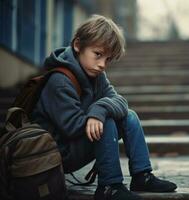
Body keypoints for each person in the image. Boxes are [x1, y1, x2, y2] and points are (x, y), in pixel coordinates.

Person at [31, 15, 177, 200]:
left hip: (77, 142)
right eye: (98, 54)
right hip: (58, 152)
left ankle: (142, 176)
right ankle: (109, 186)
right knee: (106, 120)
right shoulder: (59, 81)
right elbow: (72, 127)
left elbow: (120, 102)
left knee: (129, 116)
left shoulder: (96, 74)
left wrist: (98, 110)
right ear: (78, 45)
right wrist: (99, 115)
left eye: (108, 60)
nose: (102, 65)